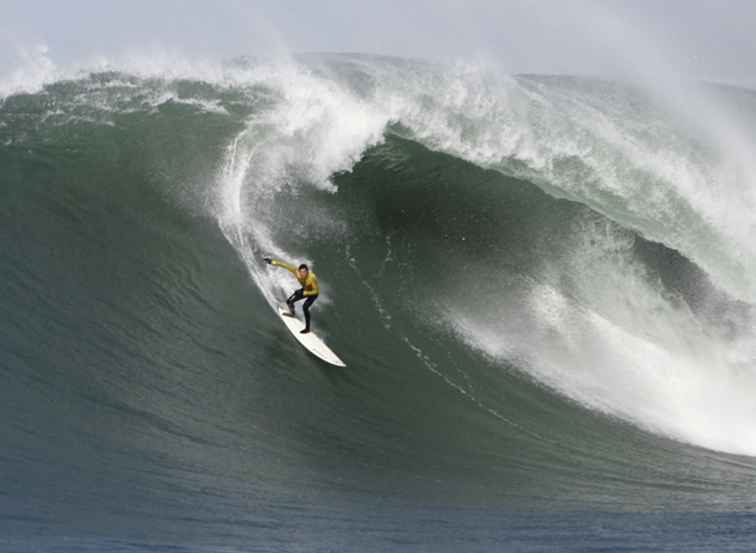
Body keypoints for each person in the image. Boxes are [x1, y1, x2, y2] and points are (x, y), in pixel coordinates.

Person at [264, 257, 320, 334]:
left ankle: (307, 328)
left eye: (305, 272)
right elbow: (284, 265)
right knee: (290, 301)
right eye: (301, 272)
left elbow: (316, 291)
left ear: (307, 272)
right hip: (305, 289)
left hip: (313, 293)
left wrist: (305, 293)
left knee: (305, 307)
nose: (303, 274)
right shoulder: (295, 271)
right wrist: (272, 262)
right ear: (299, 271)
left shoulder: (312, 278)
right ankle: (292, 313)